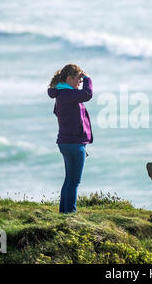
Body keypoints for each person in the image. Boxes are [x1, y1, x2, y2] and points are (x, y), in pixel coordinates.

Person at [47, 64, 93, 213]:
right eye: (78, 78)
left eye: (81, 79)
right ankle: (70, 215)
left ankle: (63, 213)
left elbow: (57, 112)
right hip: (74, 143)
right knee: (74, 182)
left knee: (69, 181)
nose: (80, 82)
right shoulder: (67, 94)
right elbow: (87, 94)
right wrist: (88, 78)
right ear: (69, 78)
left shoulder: (63, 94)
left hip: (68, 141)